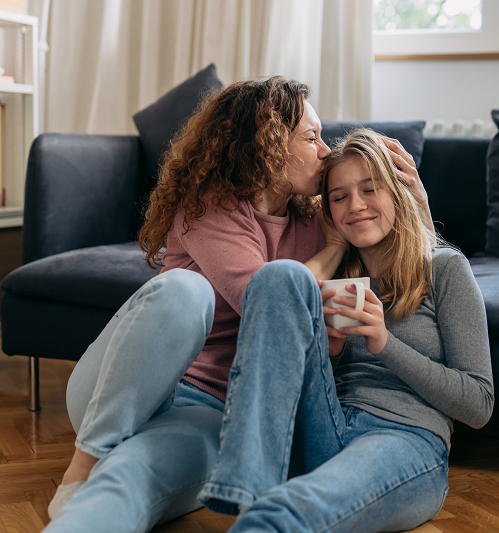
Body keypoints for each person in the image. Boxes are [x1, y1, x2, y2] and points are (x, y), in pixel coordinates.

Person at [45, 77, 431, 532]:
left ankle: (89, 496)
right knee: (186, 291)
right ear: (266, 145)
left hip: (209, 410)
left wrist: (417, 201)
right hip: (124, 384)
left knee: (132, 474)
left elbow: (395, 249)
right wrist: (329, 254)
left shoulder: (318, 217)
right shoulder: (207, 207)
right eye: (311, 137)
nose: (325, 150)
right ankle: (85, 459)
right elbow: (268, 301)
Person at [197, 128, 494, 533]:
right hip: (325, 426)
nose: (356, 206)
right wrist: (330, 350)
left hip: (403, 439)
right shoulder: (335, 277)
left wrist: (385, 344)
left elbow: (478, 405)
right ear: (330, 212)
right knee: (278, 277)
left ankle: (261, 506)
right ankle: (245, 482)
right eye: (339, 197)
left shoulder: (444, 269)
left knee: (285, 513)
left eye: (370, 189)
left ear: (396, 192)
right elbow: (292, 354)